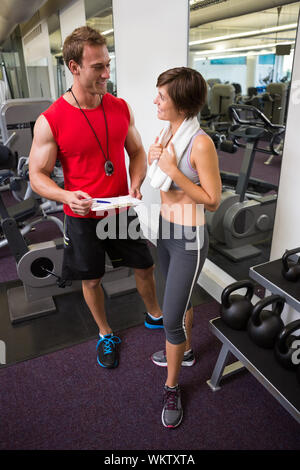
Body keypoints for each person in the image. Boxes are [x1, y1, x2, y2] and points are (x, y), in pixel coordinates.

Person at [29, 26, 162, 370]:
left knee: (145, 266)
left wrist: (137, 181)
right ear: (74, 67)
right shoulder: (51, 120)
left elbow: (136, 153)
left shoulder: (119, 107)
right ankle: (105, 333)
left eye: (107, 64)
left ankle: (154, 314)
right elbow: (36, 176)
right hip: (83, 216)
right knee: (91, 278)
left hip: (119, 209)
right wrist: (65, 195)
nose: (107, 73)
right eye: (97, 67)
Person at [148, 67, 222, 428]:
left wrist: (173, 171)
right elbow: (161, 179)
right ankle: (188, 352)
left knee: (171, 319)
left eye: (162, 96)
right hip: (165, 230)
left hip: (189, 239)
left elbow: (212, 201)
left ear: (181, 102)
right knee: (177, 302)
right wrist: (156, 161)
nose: (155, 101)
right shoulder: (169, 131)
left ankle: (173, 386)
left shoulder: (200, 143)